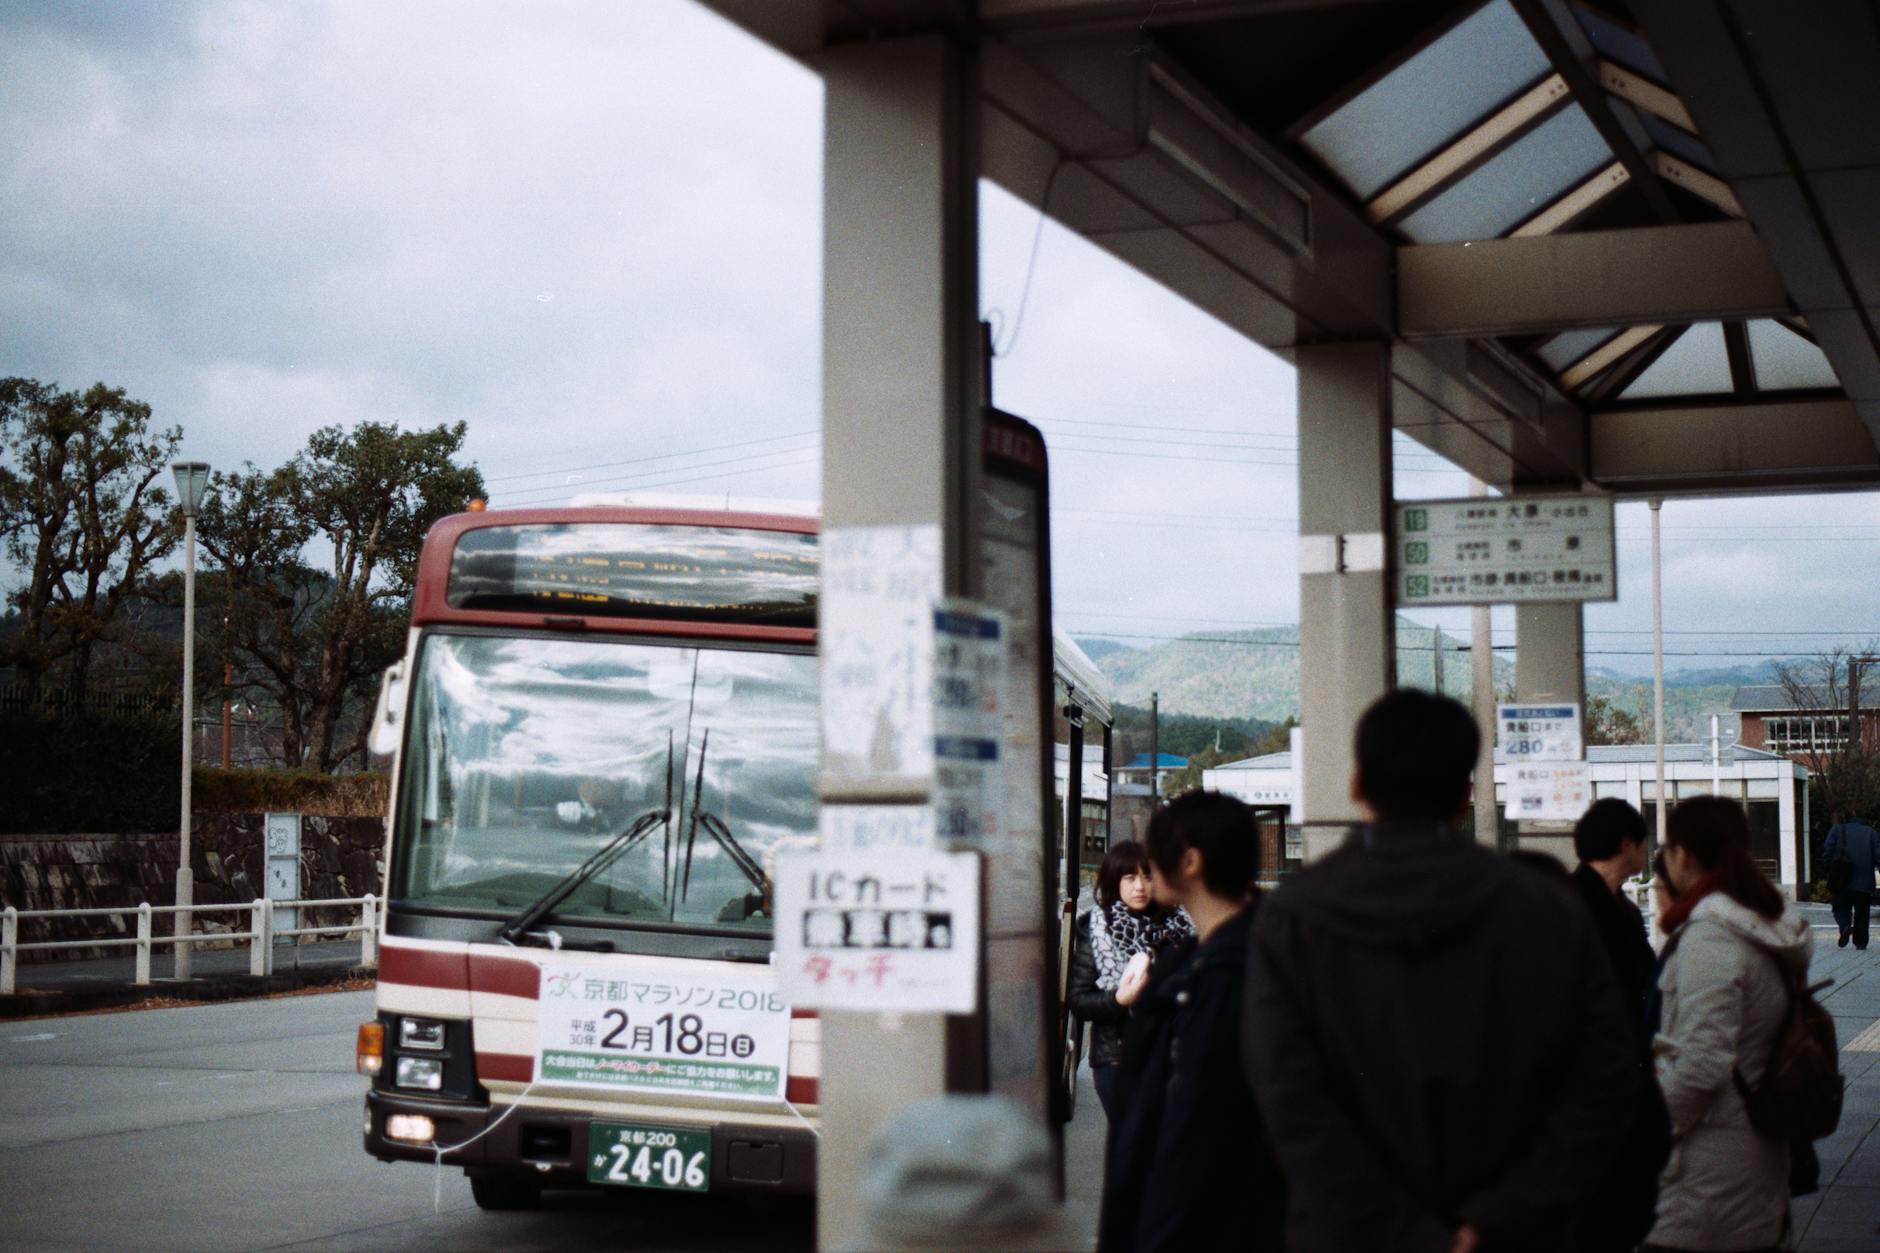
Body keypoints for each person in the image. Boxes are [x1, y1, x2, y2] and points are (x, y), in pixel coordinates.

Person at [1243, 689, 1637, 1253]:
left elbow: (1288, 1101)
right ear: (1466, 794)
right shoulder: (1547, 909)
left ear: (1357, 786)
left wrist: (1402, 1231)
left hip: (1347, 1235)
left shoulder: (1293, 915)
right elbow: (1606, 1084)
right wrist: (1494, 1219)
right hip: (1517, 1236)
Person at [1098, 792, 1284, 1252]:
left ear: (1190, 862)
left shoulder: (1225, 975)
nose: (1147, 868)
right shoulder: (1216, 955)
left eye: (1155, 854)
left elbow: (1196, 1130)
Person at [1642, 796, 1813, 1253]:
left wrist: (1646, 1134)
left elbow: (1701, 1064)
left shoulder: (1712, 938)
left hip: (1706, 1183)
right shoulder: (1759, 924)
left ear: (1684, 855)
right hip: (1753, 1161)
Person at [1568, 798, 1672, 1252]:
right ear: (1626, 844)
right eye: (1643, 841)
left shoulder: (1616, 906)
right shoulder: (1577, 907)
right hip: (1597, 1083)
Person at [1066, 841, 1193, 1118]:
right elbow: (1077, 999)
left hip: (1175, 1056)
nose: (1139, 886)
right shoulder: (1097, 928)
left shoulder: (1180, 924)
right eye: (1130, 877)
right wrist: (1118, 999)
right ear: (1115, 880)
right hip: (1117, 1058)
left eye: (1147, 877)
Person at [1823, 808, 1878, 950]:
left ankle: (1845, 926)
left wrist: (1829, 869)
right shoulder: (1871, 833)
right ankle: (1860, 942)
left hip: (1841, 878)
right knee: (1862, 911)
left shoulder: (1837, 830)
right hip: (1864, 880)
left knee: (1840, 907)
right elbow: (1878, 856)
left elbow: (1827, 851)